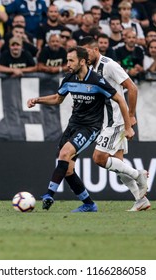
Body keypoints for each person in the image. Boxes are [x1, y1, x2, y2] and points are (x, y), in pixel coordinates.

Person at [27, 46, 135, 212]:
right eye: (67, 60)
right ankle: (89, 204)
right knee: (67, 168)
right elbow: (57, 99)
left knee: (64, 154)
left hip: (90, 128)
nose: (67, 64)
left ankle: (49, 194)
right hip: (73, 125)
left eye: (71, 60)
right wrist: (37, 100)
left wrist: (128, 127)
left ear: (82, 61)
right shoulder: (69, 78)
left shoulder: (97, 80)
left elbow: (120, 100)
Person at [79, 36, 151, 211]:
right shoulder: (91, 69)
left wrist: (131, 117)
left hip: (116, 120)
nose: (85, 55)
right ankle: (140, 200)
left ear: (96, 50)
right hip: (105, 120)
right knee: (118, 164)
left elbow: (132, 88)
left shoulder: (109, 65)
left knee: (99, 158)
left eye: (87, 51)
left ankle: (139, 174)